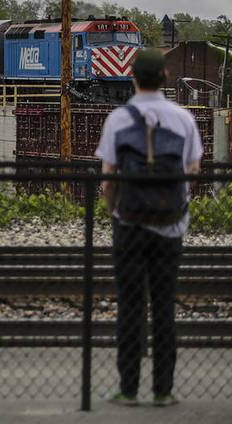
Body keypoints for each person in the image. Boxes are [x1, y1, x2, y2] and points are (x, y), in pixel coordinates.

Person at [95, 49, 203, 407]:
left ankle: (127, 389)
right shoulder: (183, 118)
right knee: (164, 308)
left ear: (132, 79)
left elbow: (108, 178)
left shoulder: (117, 119)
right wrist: (174, 205)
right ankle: (164, 391)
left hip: (129, 224)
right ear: (166, 79)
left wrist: (115, 211)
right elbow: (193, 171)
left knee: (130, 307)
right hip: (170, 225)